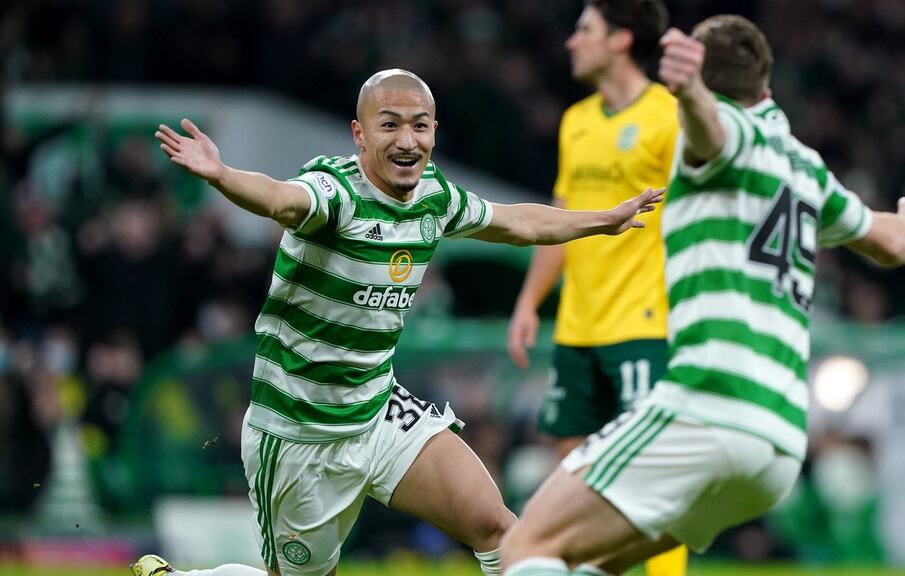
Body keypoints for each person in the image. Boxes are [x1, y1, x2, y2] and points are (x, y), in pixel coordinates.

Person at [133, 68, 662, 576]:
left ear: (434, 131)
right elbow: (281, 198)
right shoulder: (335, 193)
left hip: (378, 410)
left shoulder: (433, 196)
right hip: (298, 431)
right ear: (360, 135)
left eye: (419, 124)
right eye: (390, 124)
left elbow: (517, 221)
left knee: (498, 528)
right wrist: (223, 175)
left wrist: (601, 220)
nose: (407, 139)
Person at [501, 15, 905, 575]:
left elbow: (715, 133)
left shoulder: (719, 134)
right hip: (779, 443)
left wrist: (689, 93)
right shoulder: (807, 169)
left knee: (524, 550)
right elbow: (895, 243)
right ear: (767, 88)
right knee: (598, 564)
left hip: (709, 407)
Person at [505, 2, 686, 572]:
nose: (570, 42)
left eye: (585, 30)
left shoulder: (671, 116)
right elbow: (562, 219)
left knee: (652, 477)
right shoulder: (576, 120)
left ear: (621, 40)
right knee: (573, 477)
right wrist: (529, 302)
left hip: (645, 324)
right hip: (578, 326)